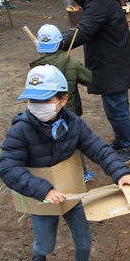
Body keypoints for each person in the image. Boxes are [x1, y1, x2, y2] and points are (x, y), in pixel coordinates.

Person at [0, 64, 130, 261]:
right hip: (41, 198)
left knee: (84, 239)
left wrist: (120, 173)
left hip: (72, 193)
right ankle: (38, 255)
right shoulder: (20, 130)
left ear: (63, 100)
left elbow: (98, 149)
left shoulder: (73, 124)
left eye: (44, 100)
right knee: (46, 244)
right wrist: (42, 189)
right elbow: (7, 167)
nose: (37, 106)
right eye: (32, 100)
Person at [57, 0, 130, 164]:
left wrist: (60, 42)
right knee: (115, 104)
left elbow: (85, 30)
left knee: (115, 106)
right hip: (111, 57)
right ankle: (123, 139)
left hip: (111, 60)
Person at [30, 24, 95, 182]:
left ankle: (57, 175)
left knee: (52, 140)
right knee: (75, 139)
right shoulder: (72, 64)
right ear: (61, 43)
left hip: (46, 113)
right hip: (71, 111)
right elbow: (88, 78)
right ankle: (83, 173)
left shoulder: (37, 69)